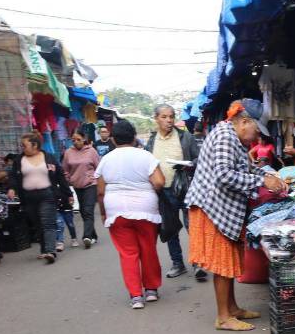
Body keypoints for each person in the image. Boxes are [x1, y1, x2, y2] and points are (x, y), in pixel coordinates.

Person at [185, 99, 287, 331]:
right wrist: (263, 180)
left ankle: (231, 308)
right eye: (256, 130)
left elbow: (246, 169)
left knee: (227, 260)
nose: (257, 137)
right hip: (211, 208)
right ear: (243, 122)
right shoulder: (224, 136)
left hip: (220, 208)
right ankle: (223, 317)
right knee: (221, 263)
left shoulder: (233, 138)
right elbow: (224, 175)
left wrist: (270, 176)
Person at [95, 120, 164, 310]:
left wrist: (103, 213)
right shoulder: (145, 156)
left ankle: (136, 296)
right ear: (134, 137)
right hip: (145, 209)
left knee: (128, 253)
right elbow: (159, 182)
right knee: (148, 249)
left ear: (113, 139)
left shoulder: (106, 159)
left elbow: (100, 192)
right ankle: (151, 290)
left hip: (116, 209)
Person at [145, 104, 206, 281]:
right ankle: (177, 263)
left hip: (186, 188)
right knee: (170, 229)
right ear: (156, 118)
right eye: (164, 117)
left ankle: (198, 264)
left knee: (192, 227)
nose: (169, 120)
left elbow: (199, 158)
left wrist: (188, 164)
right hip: (163, 192)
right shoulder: (151, 141)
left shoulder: (184, 136)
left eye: (171, 116)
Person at [7, 132, 72, 264]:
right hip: (28, 197)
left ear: (34, 145)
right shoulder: (19, 160)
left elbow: (60, 176)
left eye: (24, 145)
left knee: (48, 222)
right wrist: (12, 188)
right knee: (37, 224)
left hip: (47, 195)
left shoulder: (49, 157)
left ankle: (51, 251)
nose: (22, 148)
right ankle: (44, 249)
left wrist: (68, 194)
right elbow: (13, 176)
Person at [62, 129, 100, 248]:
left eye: (78, 139)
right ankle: (93, 235)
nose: (76, 142)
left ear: (84, 139)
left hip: (91, 184)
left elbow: (98, 167)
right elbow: (65, 169)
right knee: (83, 211)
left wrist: (97, 180)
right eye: (73, 140)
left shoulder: (91, 151)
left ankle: (86, 236)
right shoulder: (68, 152)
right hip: (77, 185)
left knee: (88, 210)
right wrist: (69, 179)